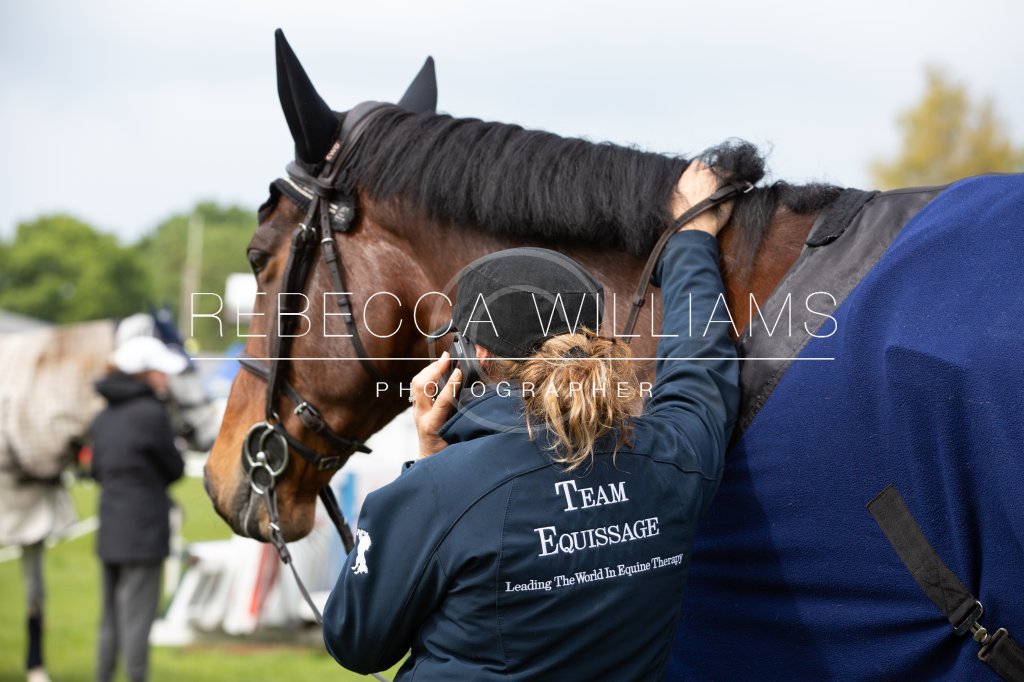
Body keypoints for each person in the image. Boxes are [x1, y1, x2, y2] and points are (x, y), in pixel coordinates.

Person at [322, 162, 740, 679]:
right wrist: (693, 237)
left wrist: (429, 462)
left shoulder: (434, 494)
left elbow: (356, 643)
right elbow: (699, 365)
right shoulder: (675, 457)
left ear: (475, 356)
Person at [90, 336, 187, 682]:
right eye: (161, 371)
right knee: (138, 619)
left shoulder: (103, 416)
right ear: (145, 373)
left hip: (110, 527)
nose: (166, 378)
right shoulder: (152, 414)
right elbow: (174, 468)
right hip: (145, 530)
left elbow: (96, 470)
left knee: (110, 617)